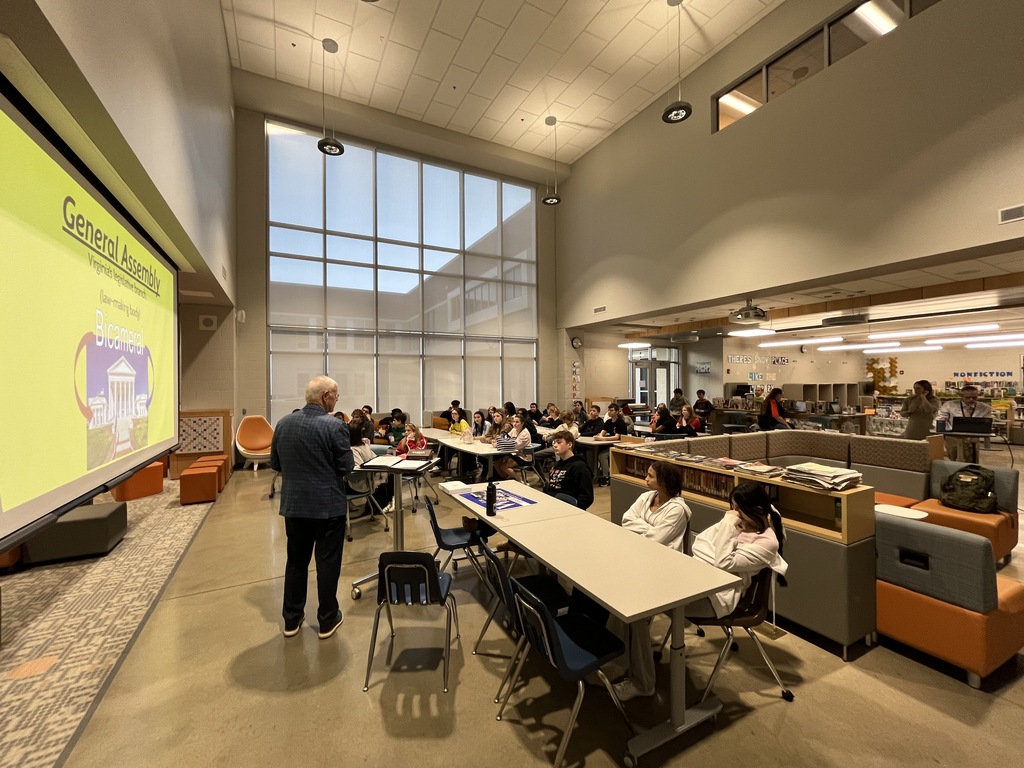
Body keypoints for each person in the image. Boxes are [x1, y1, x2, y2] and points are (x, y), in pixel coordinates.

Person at [269, 375, 353, 640]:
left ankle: (291, 619)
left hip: (294, 507)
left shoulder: (282, 424)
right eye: (336, 397)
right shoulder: (335, 427)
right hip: (329, 508)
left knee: (296, 562)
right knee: (327, 564)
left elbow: (276, 464)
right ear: (326, 396)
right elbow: (346, 467)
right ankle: (327, 620)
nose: (336, 401)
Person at [612, 462, 692, 700]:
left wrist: (644, 531)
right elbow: (626, 519)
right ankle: (617, 660)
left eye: (650, 475)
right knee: (612, 598)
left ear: (665, 481)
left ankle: (643, 682)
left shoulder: (678, 509)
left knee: (632, 612)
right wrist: (648, 528)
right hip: (639, 560)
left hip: (666, 572)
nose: (645, 478)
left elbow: (656, 540)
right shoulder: (647, 497)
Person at [689, 482, 788, 620]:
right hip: (697, 578)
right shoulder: (737, 523)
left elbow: (723, 562)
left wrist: (727, 527)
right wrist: (719, 561)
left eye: (738, 508)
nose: (733, 513)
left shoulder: (767, 542)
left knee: (659, 602)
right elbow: (698, 544)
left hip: (718, 597)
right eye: (733, 507)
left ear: (758, 509)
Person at [938, 384, 993, 461]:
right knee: (953, 459)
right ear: (961, 396)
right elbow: (940, 418)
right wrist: (943, 428)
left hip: (973, 438)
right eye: (967, 397)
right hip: (953, 437)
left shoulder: (984, 407)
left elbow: (987, 421)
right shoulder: (949, 405)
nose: (971, 400)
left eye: (974, 398)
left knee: (973, 460)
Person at [542, 431, 594, 509]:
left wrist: (573, 510)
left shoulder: (580, 467)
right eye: (554, 443)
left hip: (566, 508)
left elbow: (587, 497)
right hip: (551, 504)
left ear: (569, 445)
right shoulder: (556, 464)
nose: (555, 445)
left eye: (559, 443)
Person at [594, 403, 628, 486]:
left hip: (619, 445)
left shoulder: (620, 422)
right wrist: (599, 436)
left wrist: (602, 438)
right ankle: (597, 474)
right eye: (609, 410)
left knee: (602, 456)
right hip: (609, 444)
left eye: (612, 410)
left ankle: (606, 477)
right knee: (597, 452)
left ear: (617, 411)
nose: (609, 412)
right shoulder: (608, 422)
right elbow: (603, 432)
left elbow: (616, 437)